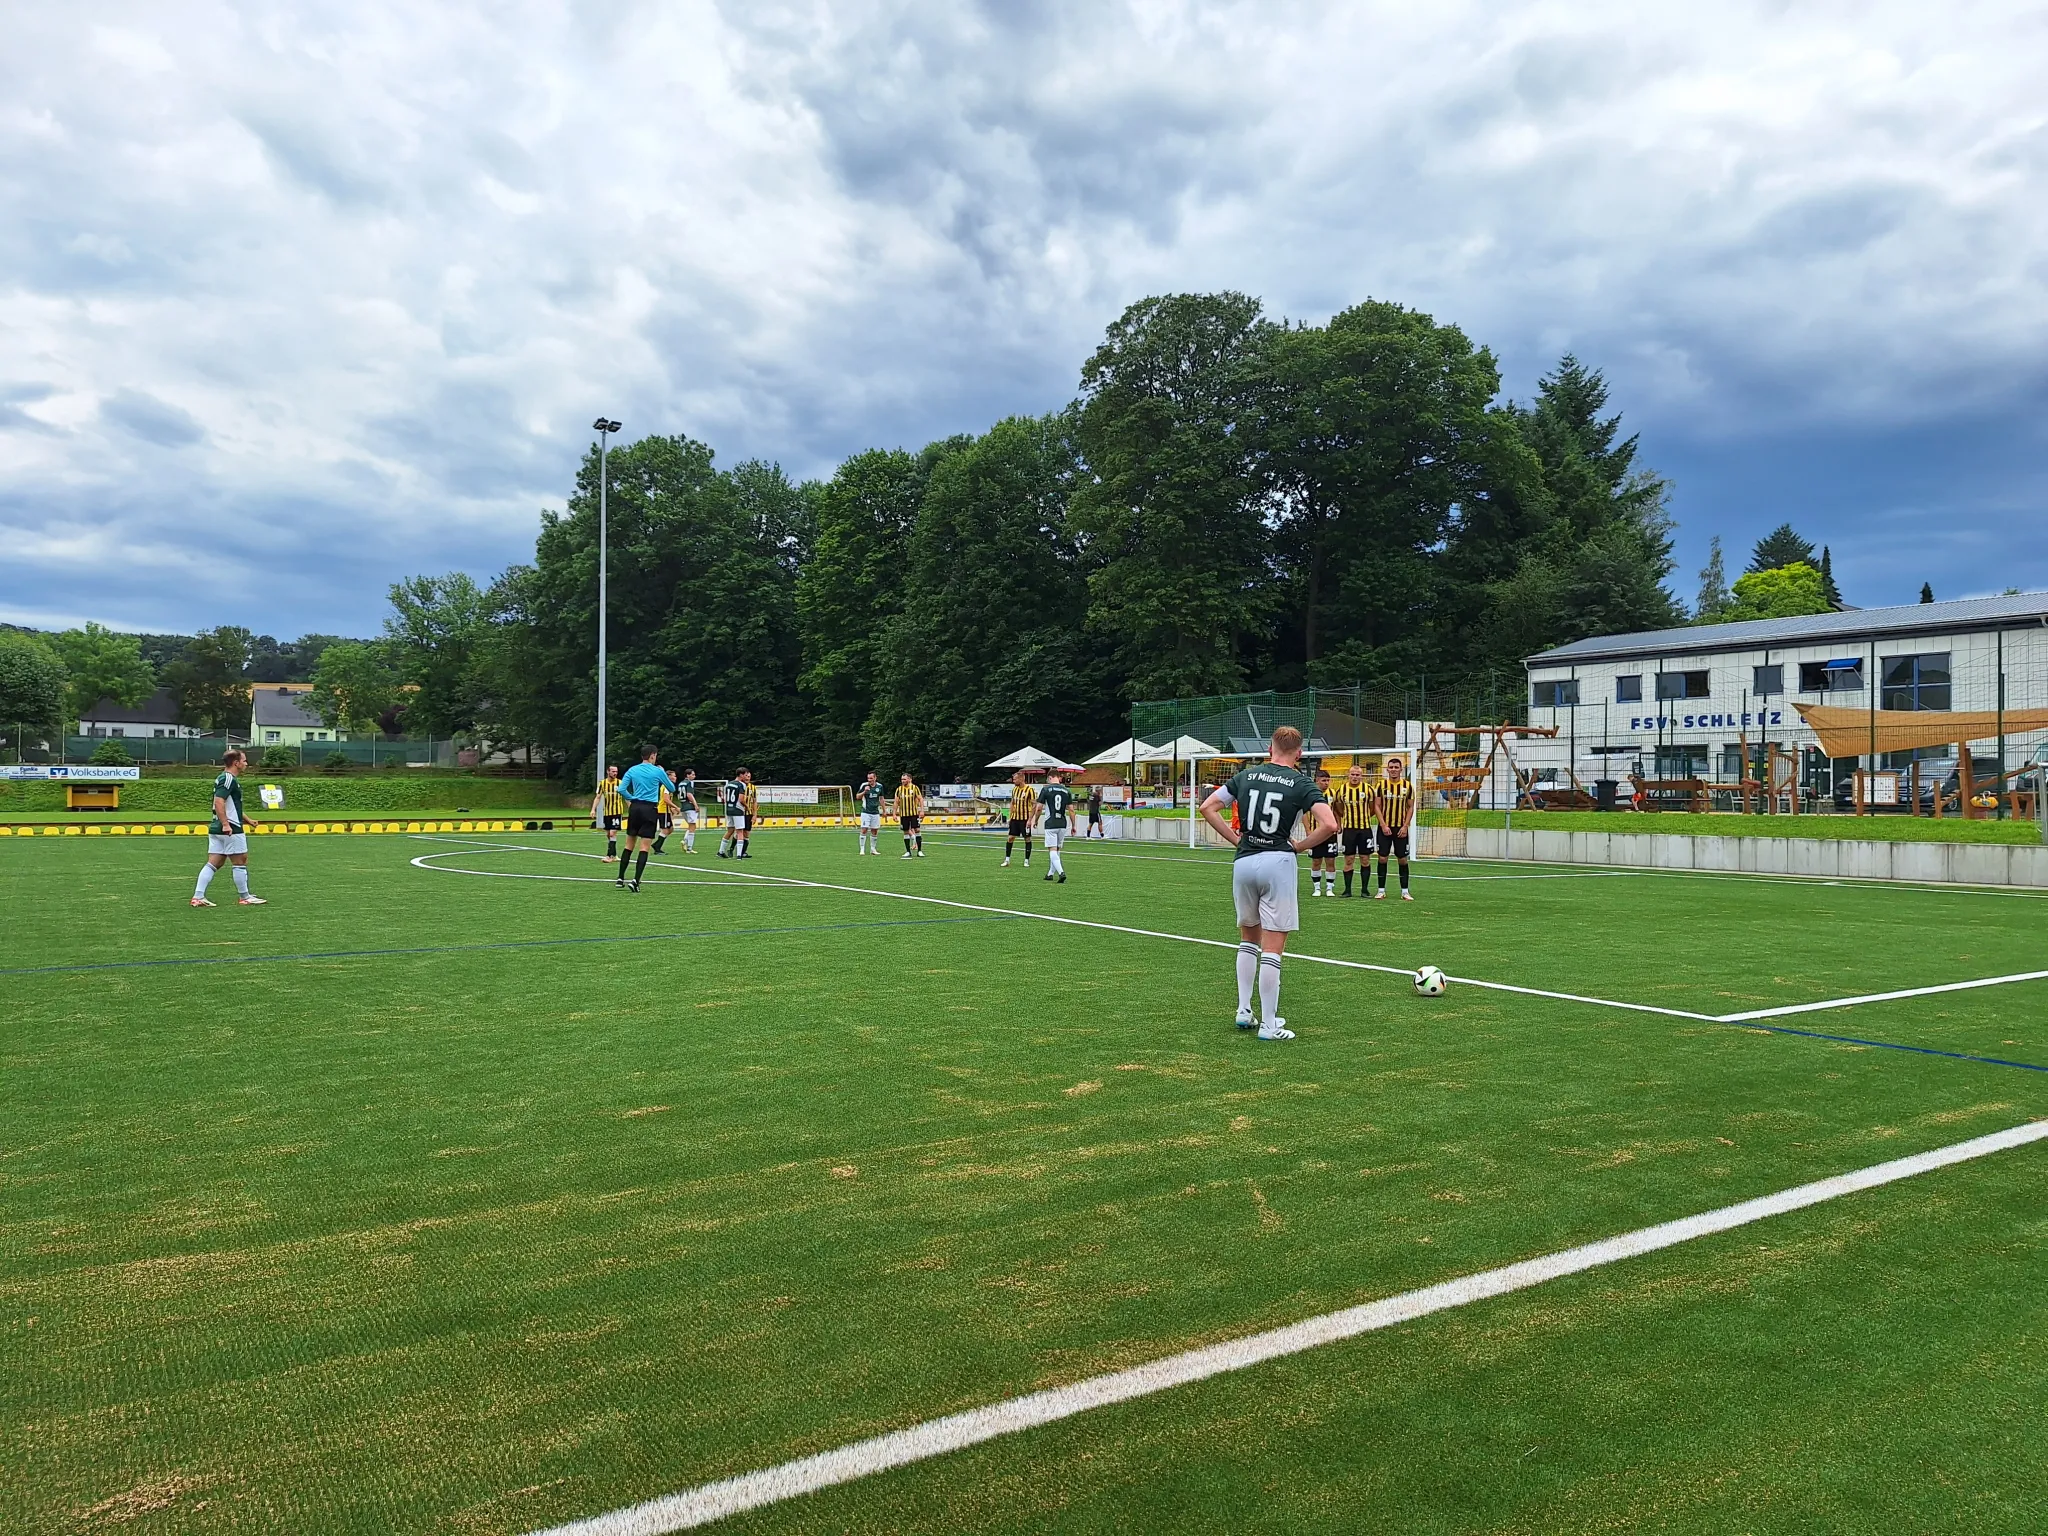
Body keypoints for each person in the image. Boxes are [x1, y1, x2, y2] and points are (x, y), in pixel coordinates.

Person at [1198, 725, 1337, 1042]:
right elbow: (1330, 824)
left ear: (1270, 749)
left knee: (1248, 938)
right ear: (1299, 754)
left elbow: (1207, 807)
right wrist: (1299, 846)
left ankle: (1244, 1010)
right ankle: (1270, 1024)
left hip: (1244, 861)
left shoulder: (1246, 776)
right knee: (1273, 948)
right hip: (1277, 862)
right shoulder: (1301, 782)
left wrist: (1236, 839)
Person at [192, 748, 265, 906]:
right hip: (230, 828)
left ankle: (198, 897)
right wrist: (226, 824)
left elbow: (232, 806)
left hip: (218, 827)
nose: (246, 764)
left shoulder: (225, 778)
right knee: (240, 860)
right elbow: (219, 802)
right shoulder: (228, 779)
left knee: (215, 862)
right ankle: (245, 897)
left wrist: (248, 820)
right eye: (244, 761)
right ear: (236, 763)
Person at [616, 745, 667, 891]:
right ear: (652, 755)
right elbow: (671, 787)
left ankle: (620, 878)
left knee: (629, 844)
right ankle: (635, 881)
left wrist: (632, 798)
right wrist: (662, 774)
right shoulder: (657, 771)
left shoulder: (632, 770)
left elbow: (621, 789)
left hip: (635, 808)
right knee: (644, 847)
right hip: (650, 808)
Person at [1374, 753, 1417, 901]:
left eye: (1396, 767)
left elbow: (1410, 807)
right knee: (1382, 858)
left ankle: (1405, 891)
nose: (1393, 769)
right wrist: (1383, 824)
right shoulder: (1381, 785)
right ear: (1387, 769)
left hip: (1400, 828)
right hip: (1384, 828)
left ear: (1401, 769)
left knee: (1402, 859)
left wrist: (1405, 826)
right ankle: (1381, 890)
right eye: (1391, 767)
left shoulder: (1408, 786)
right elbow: (1377, 806)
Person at [1332, 761, 1376, 897]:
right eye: (1352, 774)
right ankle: (1347, 890)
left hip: (1365, 829)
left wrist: (1364, 817)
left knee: (1365, 859)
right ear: (1348, 775)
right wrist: (1340, 823)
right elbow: (1337, 808)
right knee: (1349, 859)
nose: (1355, 777)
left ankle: (1365, 890)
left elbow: (1373, 808)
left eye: (1357, 775)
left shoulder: (1368, 789)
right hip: (1349, 830)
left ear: (1361, 776)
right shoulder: (1341, 790)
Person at [1037, 770, 1073, 883]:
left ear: (1050, 778)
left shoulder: (1046, 789)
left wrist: (1035, 820)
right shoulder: (1067, 791)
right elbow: (1071, 810)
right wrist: (1074, 825)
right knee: (1057, 848)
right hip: (1062, 823)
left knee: (1052, 849)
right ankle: (1050, 873)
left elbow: (1039, 808)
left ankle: (1061, 872)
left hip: (1051, 823)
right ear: (1059, 778)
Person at [1307, 766, 1339, 896]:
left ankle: (1329, 888)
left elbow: (1337, 811)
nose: (1326, 783)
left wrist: (1338, 825)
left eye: (1327, 780)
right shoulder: (1310, 795)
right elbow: (1304, 814)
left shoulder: (1333, 794)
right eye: (1323, 780)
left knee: (1330, 860)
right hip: (1316, 833)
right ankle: (1317, 888)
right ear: (1317, 781)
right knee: (1316, 861)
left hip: (1330, 834)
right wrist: (1308, 830)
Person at [1002, 770, 1036, 867]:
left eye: (1015, 779)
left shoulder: (1030, 790)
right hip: (1015, 818)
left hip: (1025, 819)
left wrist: (1030, 819)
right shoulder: (1014, 790)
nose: (1014, 781)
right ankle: (1007, 860)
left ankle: (1026, 860)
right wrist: (1010, 817)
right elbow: (1012, 803)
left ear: (1021, 779)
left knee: (1027, 838)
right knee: (1010, 838)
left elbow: (1034, 805)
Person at [592, 765, 625, 858]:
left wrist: (632, 807)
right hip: (607, 812)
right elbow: (598, 797)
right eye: (613, 771)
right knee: (608, 834)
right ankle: (614, 854)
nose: (615, 773)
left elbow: (626, 796)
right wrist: (593, 809)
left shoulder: (620, 783)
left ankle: (609, 855)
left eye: (616, 772)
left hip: (617, 812)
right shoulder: (602, 783)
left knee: (612, 833)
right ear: (608, 772)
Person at [894, 773, 926, 858]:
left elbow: (920, 799)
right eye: (902, 779)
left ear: (909, 779)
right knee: (906, 831)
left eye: (904, 779)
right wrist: (894, 814)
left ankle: (919, 851)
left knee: (917, 830)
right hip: (903, 814)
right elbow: (896, 802)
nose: (902, 781)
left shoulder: (915, 788)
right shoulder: (899, 789)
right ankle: (908, 851)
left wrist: (922, 810)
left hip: (914, 813)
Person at [855, 771, 886, 855]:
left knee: (875, 830)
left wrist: (884, 810)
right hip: (866, 812)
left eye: (871, 778)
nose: (869, 780)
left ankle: (873, 849)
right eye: (868, 778)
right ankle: (862, 849)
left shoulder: (879, 786)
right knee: (864, 829)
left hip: (875, 812)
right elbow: (857, 797)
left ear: (875, 778)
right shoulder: (864, 785)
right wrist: (864, 791)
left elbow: (881, 798)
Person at [675, 767, 701, 853]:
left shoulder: (681, 783)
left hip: (683, 806)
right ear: (687, 775)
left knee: (691, 826)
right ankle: (689, 847)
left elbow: (679, 795)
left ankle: (685, 841)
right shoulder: (689, 783)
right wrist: (695, 805)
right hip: (690, 807)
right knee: (692, 826)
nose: (694, 776)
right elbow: (689, 794)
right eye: (692, 774)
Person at [652, 772, 676, 854]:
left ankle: (656, 844)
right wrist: (675, 807)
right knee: (665, 830)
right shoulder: (666, 786)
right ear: (668, 777)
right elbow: (666, 799)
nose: (675, 777)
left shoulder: (668, 786)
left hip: (666, 810)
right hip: (663, 810)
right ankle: (657, 848)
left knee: (670, 829)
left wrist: (671, 809)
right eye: (674, 776)